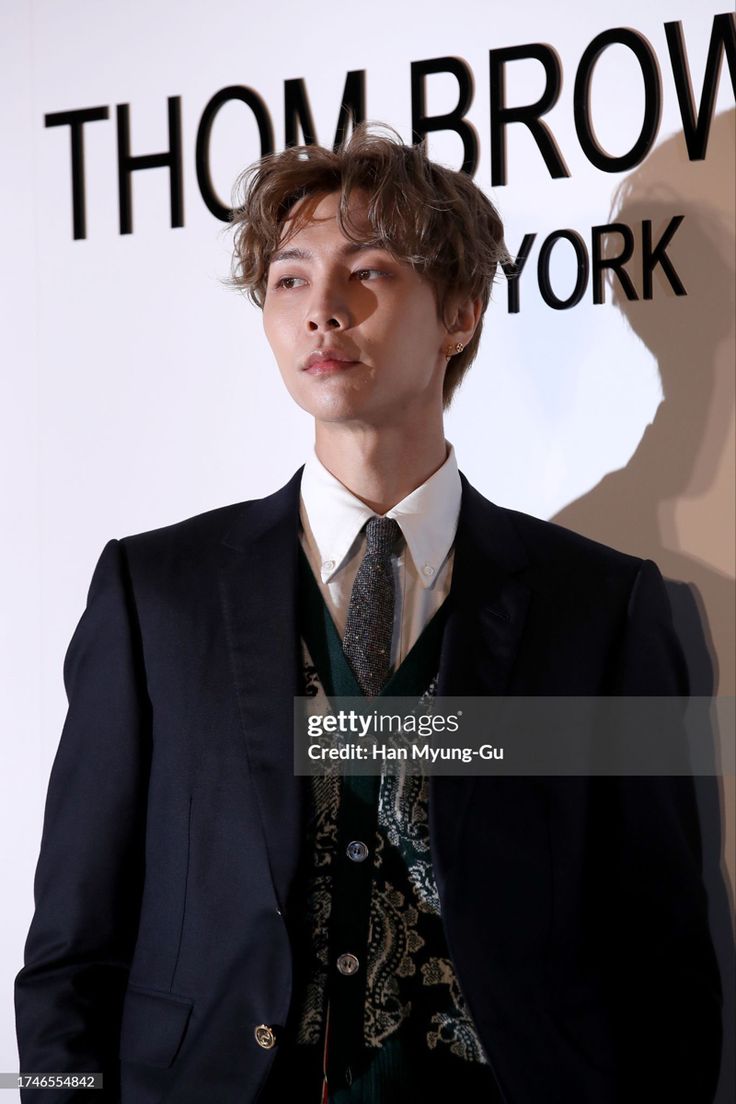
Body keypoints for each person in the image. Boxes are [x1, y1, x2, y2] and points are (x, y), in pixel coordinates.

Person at [16, 125, 722, 1103]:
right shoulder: (158, 596)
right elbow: (70, 952)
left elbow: (665, 957)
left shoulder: (599, 611)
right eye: (290, 280)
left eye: (369, 273)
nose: (322, 313)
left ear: (460, 314)